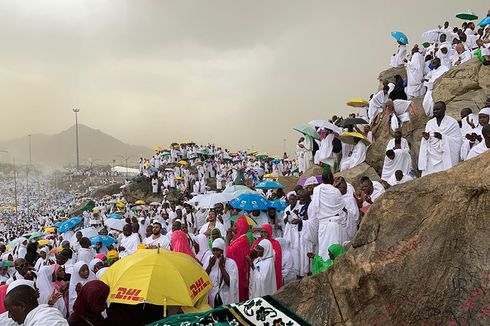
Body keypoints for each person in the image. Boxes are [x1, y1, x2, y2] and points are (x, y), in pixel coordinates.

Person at [418, 101, 462, 176]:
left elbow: (458, 140)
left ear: (444, 109)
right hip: (431, 155)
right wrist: (427, 138)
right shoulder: (430, 123)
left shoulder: (452, 122)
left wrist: (442, 137)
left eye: (438, 109)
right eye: (434, 110)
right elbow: (428, 139)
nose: (435, 111)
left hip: (445, 154)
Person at [311, 171, 347, 261]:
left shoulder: (316, 190)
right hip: (334, 224)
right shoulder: (336, 191)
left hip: (323, 225)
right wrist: (334, 186)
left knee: (323, 250)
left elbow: (315, 207)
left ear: (322, 180)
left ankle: (323, 269)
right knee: (334, 250)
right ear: (332, 179)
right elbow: (341, 206)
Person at [4, 285, 68, 325]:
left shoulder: (44, 322)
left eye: (10, 311)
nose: (9, 316)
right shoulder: (42, 314)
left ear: (21, 306)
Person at [204, 239, 239, 308]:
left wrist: (221, 266)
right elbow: (203, 278)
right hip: (211, 297)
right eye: (213, 250)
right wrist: (210, 266)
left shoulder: (231, 263)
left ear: (223, 251)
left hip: (225, 298)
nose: (215, 253)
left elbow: (230, 283)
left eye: (218, 250)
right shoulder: (209, 260)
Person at [225, 217, 251, 302]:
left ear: (241, 227)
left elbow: (228, 253)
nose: (233, 228)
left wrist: (227, 239)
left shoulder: (242, 241)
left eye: (235, 226)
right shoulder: (240, 238)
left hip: (239, 271)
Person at [251, 224, 282, 290]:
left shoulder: (275, 243)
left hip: (270, 269)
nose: (263, 234)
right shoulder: (257, 242)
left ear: (270, 232)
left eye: (265, 232)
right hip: (258, 268)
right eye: (261, 232)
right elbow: (252, 254)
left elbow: (277, 259)